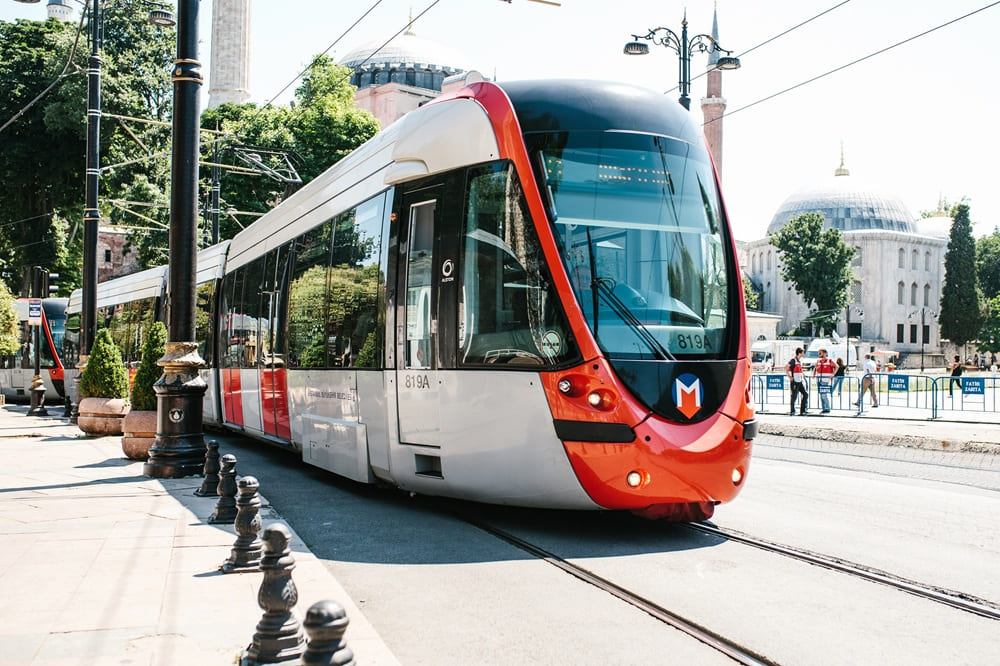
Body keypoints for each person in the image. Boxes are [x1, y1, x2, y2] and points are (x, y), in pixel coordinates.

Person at [813, 348, 836, 413]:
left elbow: (836, 366)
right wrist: (814, 374)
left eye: (820, 353)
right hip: (819, 379)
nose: (819, 354)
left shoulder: (829, 360)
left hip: (825, 379)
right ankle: (824, 408)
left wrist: (832, 374)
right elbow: (815, 368)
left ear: (824, 353)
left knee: (824, 394)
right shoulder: (818, 361)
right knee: (821, 394)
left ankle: (827, 408)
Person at [787, 347, 807, 415]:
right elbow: (786, 367)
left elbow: (800, 369)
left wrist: (803, 374)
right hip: (795, 381)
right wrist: (789, 376)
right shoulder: (793, 360)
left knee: (805, 394)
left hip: (799, 380)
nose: (803, 354)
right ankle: (792, 411)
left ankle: (802, 410)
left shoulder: (799, 361)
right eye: (803, 352)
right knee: (794, 396)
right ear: (799, 353)